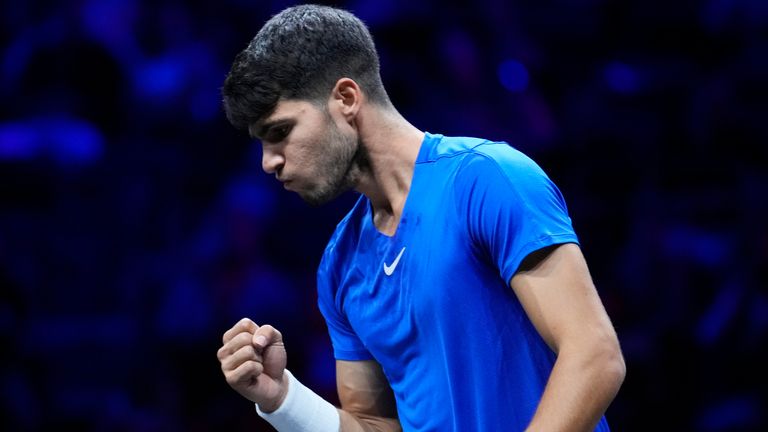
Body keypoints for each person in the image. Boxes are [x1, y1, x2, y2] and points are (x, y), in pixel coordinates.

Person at [216, 4, 625, 431]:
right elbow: (373, 424)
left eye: (280, 133)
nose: (268, 163)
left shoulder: (486, 180)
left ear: (346, 99)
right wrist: (283, 399)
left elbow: (593, 354)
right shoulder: (339, 266)